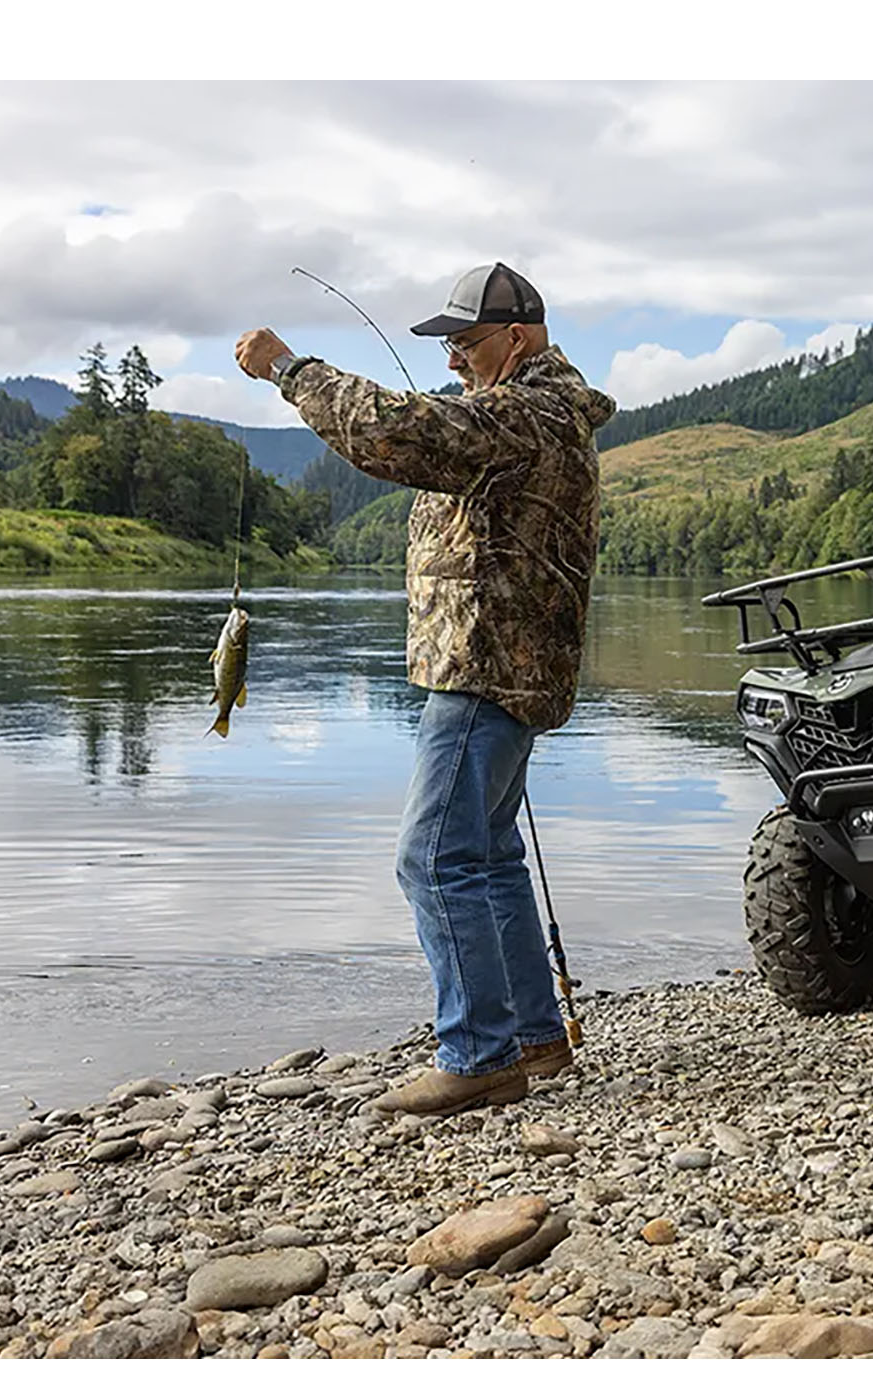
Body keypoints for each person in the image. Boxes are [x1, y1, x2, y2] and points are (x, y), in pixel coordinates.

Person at [234, 262, 616, 1115]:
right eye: (446, 347)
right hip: (501, 662)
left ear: (516, 337)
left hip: (485, 662)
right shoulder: (530, 411)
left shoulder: (526, 411)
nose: (452, 361)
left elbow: (394, 434)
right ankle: (532, 1038)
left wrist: (290, 371)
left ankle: (478, 1055)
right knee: (486, 852)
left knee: (434, 856)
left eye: (465, 343)